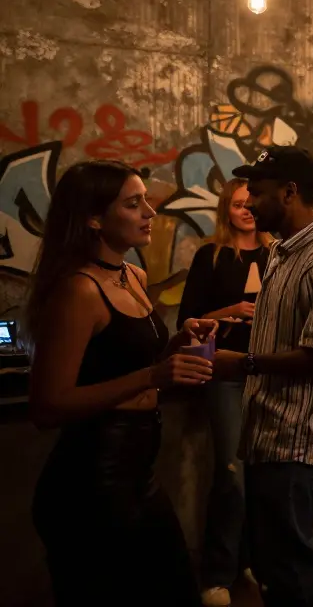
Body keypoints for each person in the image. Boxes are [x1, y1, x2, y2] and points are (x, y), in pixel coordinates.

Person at [26, 160, 218, 606]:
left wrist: (178, 344)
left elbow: (127, 363)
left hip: (138, 471)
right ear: (94, 218)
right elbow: (47, 406)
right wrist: (153, 375)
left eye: (146, 201)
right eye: (134, 204)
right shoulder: (79, 290)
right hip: (90, 480)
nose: (150, 212)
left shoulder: (132, 276)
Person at [212, 146, 313, 607]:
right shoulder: (282, 252)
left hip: (296, 442)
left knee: (295, 572)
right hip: (269, 437)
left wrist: (243, 363)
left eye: (258, 192)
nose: (250, 202)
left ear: (290, 192)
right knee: (276, 570)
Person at [177, 177, 272, 607]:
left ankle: (248, 560)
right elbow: (187, 319)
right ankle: (217, 573)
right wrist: (230, 311)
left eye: (252, 203)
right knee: (231, 472)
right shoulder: (210, 256)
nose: (247, 210)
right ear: (225, 211)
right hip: (225, 372)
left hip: (270, 371)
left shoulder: (276, 254)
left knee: (263, 473)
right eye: (237, 204)